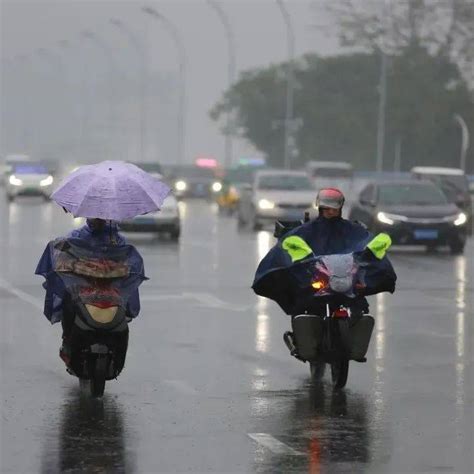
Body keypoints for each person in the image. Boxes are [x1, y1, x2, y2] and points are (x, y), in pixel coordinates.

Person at [35, 218, 146, 362]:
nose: (98, 219)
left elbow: (129, 261)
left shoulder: (118, 240)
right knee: (69, 301)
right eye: (94, 216)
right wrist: (60, 247)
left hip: (110, 290)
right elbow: (66, 249)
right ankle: (67, 340)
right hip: (84, 289)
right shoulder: (78, 235)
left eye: (102, 217)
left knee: (122, 309)